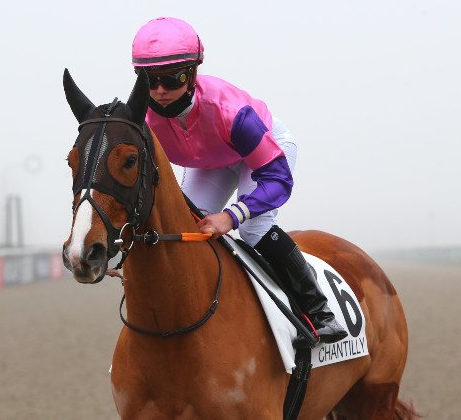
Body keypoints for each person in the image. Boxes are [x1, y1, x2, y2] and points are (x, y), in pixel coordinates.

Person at [131, 17, 347, 344]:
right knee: (187, 226)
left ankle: (319, 312)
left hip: (262, 152)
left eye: (172, 79)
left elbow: (277, 181)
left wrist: (231, 216)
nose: (160, 91)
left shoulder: (232, 113)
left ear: (192, 75)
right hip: (212, 160)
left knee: (253, 229)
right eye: (150, 80)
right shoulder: (144, 119)